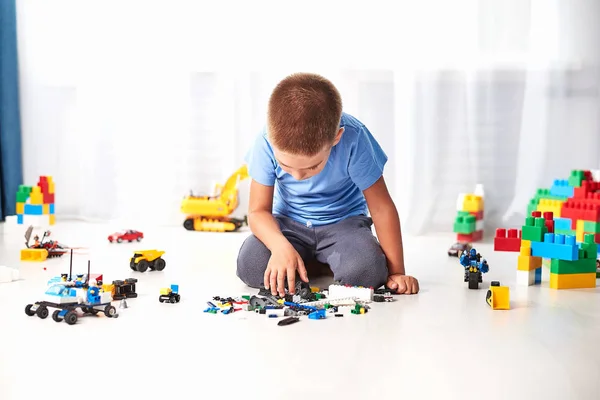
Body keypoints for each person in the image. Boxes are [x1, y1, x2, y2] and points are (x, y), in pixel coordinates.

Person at [236, 72, 419, 297]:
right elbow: (257, 211)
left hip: (344, 225)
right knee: (251, 266)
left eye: (312, 167)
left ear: (337, 137)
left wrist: (397, 272)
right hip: (288, 225)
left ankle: (313, 263)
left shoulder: (355, 138)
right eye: (285, 165)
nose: (298, 176)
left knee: (367, 272)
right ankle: (307, 260)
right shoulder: (265, 141)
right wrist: (279, 246)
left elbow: (381, 207)